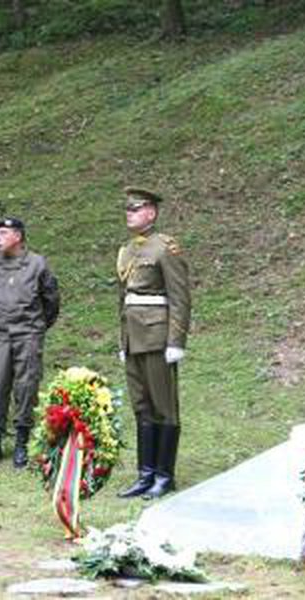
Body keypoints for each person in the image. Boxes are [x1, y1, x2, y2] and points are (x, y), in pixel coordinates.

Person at [115, 187, 191, 500]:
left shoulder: (165, 248)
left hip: (158, 335)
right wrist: (123, 341)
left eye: (137, 209)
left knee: (164, 407)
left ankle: (164, 475)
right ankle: (145, 474)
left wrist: (176, 340)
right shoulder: (126, 250)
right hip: (134, 336)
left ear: (152, 213)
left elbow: (180, 296)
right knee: (141, 406)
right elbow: (123, 299)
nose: (130, 213)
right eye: (128, 209)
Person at [0, 217, 59, 470]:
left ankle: (22, 441)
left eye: (2, 232)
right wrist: (0, 324)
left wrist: (36, 327)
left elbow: (51, 300)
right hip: (0, 333)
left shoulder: (37, 264)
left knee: (26, 386)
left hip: (29, 333)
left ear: (18, 236)